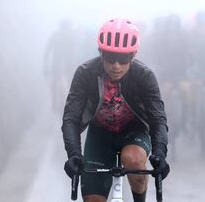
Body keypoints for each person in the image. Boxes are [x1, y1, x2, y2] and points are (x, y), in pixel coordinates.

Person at [62, 18, 170, 202]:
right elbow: (71, 118)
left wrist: (159, 153)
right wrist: (73, 154)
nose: (116, 65)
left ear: (133, 55)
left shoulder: (144, 76)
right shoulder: (85, 73)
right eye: (111, 57)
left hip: (133, 130)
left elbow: (157, 119)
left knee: (134, 160)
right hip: (100, 134)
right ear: (100, 53)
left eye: (123, 58)